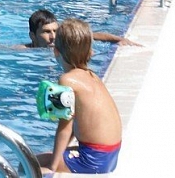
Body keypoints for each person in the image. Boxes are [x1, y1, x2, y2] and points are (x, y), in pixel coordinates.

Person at [37, 18, 123, 175]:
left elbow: (65, 126)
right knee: (35, 159)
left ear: (56, 51)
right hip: (110, 155)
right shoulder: (92, 76)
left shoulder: (67, 80)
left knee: (28, 166)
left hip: (94, 159)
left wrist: (53, 167)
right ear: (90, 51)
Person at [26, 9, 138, 49]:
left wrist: (120, 39)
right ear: (32, 36)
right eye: (46, 32)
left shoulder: (63, 40)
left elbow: (92, 35)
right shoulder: (24, 50)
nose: (53, 37)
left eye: (55, 31)